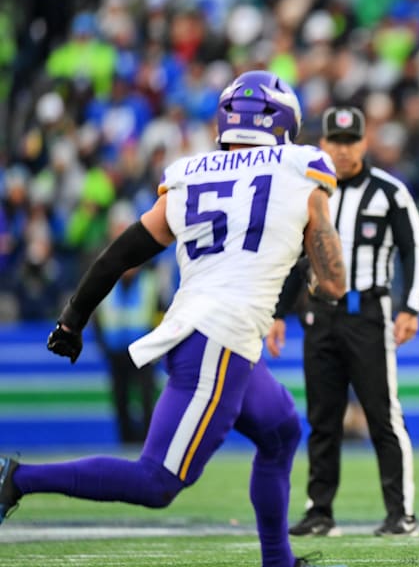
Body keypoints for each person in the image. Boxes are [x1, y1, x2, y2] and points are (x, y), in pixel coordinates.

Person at [0, 70, 347, 567]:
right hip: (220, 340)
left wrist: (72, 320)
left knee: (281, 432)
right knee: (158, 481)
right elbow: (333, 282)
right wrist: (308, 270)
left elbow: (118, 255)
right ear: (285, 123)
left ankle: (280, 562)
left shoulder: (191, 174)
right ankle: (16, 479)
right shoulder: (303, 167)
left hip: (211, 332)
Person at [267, 105, 419, 538]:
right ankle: (320, 511)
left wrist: (410, 307)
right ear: (322, 144)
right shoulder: (308, 192)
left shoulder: (390, 192)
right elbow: (296, 258)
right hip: (318, 315)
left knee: (382, 415)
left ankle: (401, 513)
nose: (341, 149)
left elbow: (413, 250)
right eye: (334, 141)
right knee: (322, 416)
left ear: (364, 142)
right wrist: (278, 313)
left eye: (349, 140)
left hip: (368, 314)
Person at [94, 201, 161, 444]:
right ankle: (126, 443)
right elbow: (98, 317)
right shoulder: (104, 272)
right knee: (120, 400)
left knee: (146, 400)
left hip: (144, 351)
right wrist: (103, 346)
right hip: (116, 352)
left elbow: (161, 312)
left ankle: (146, 444)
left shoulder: (151, 275)